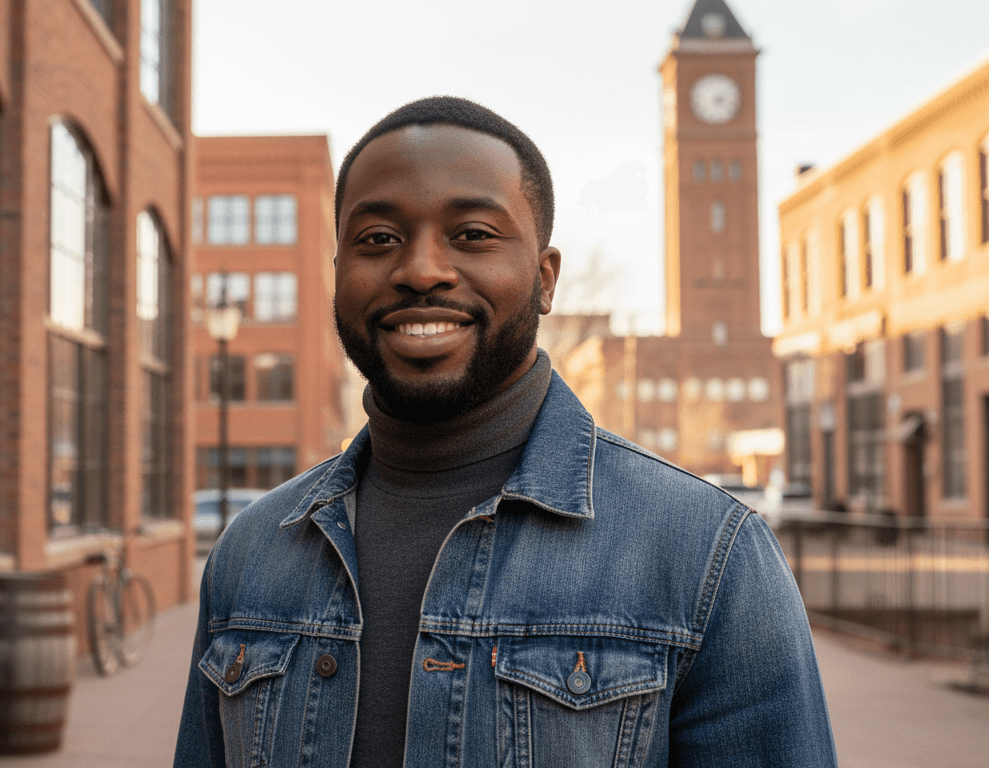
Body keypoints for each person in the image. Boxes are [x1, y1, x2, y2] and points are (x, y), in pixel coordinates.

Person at [174, 96, 836, 767]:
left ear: (545, 280)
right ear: (339, 273)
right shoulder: (252, 553)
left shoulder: (708, 555)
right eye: (378, 239)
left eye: (473, 235)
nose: (421, 270)